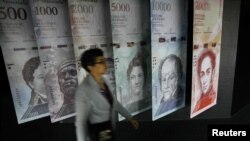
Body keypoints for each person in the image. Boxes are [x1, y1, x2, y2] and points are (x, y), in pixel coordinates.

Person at [75, 48, 139, 141]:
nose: (105, 64)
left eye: (104, 60)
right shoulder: (84, 90)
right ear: (90, 66)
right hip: (96, 133)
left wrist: (129, 117)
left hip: (109, 129)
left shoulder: (104, 80)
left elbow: (114, 102)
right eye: (101, 62)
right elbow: (81, 123)